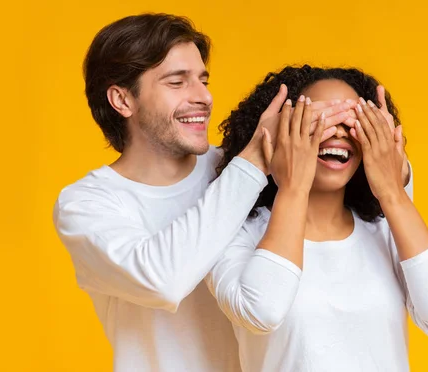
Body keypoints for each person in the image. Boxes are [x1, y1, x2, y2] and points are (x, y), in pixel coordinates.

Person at [52, 14, 351, 372]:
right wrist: (254, 158)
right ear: (122, 100)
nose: (204, 97)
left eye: (203, 80)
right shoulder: (87, 205)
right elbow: (163, 280)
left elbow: (363, 199)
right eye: (177, 82)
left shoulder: (236, 167)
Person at [207, 65, 428, 372]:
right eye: (318, 119)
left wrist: (392, 191)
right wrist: (292, 186)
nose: (340, 131)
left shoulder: (385, 230)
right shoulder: (236, 232)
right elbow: (262, 310)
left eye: (354, 121)